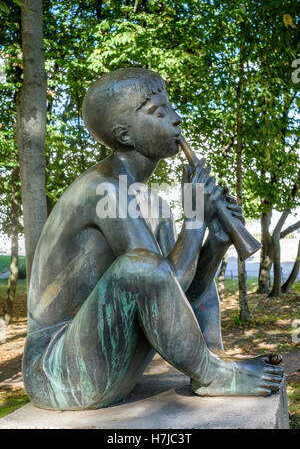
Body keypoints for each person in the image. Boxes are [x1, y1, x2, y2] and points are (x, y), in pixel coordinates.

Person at [23, 68, 283, 410]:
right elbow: (148, 276)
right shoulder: (103, 190)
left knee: (149, 268)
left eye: (171, 108)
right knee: (140, 267)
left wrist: (215, 244)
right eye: (159, 114)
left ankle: (212, 361)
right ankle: (211, 374)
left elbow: (171, 293)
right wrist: (195, 218)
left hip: (106, 365)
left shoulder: (155, 205)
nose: (176, 120)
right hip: (57, 371)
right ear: (125, 135)